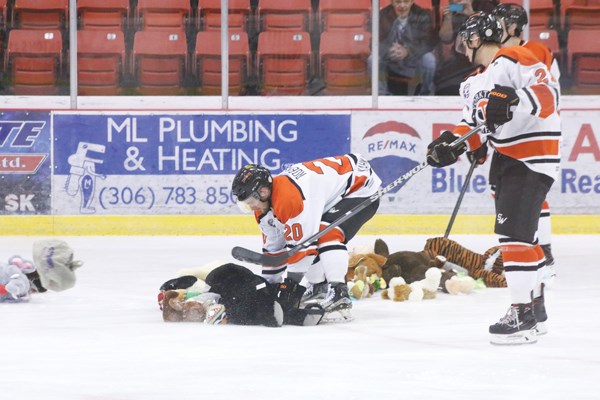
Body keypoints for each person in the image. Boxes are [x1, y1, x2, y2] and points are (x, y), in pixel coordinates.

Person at [425, 12, 560, 345]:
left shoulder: (516, 58)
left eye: (465, 40)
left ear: (474, 39)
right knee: (520, 238)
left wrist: (516, 99)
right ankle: (535, 309)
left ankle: (522, 315)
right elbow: (473, 127)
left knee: (512, 238)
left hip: (530, 157)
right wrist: (450, 145)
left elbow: (548, 95)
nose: (462, 46)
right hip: (505, 159)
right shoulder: (472, 83)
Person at [231, 154, 382, 318]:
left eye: (250, 201)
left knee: (327, 233)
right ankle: (319, 287)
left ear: (263, 191)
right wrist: (270, 286)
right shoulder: (263, 211)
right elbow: (274, 251)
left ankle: (339, 293)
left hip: (360, 187)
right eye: (245, 205)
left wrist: (291, 286)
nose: (250, 207)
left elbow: (303, 248)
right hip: (333, 194)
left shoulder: (289, 198)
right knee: (309, 242)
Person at [493, 2, 560, 282]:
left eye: (498, 23)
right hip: (506, 137)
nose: (493, 28)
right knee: (500, 190)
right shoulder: (497, 54)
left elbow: (551, 95)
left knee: (532, 197)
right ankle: (522, 246)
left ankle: (541, 251)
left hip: (531, 136)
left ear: (512, 26)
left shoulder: (536, 52)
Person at [434, 0, 499, 95]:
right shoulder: (454, 6)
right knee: (443, 87)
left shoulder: (487, 6)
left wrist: (471, 13)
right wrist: (448, 18)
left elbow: (493, 35)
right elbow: (446, 39)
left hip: (482, 58)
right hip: (459, 58)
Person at [377, 0, 437, 95]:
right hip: (391, 58)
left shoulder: (423, 15)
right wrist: (389, 50)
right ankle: (382, 95)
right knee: (373, 59)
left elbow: (428, 43)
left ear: (412, 1)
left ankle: (425, 94)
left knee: (429, 59)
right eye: (398, 2)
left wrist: (408, 51)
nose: (402, 5)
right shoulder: (382, 15)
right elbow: (374, 43)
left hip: (413, 59)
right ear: (391, 2)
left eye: (406, 1)